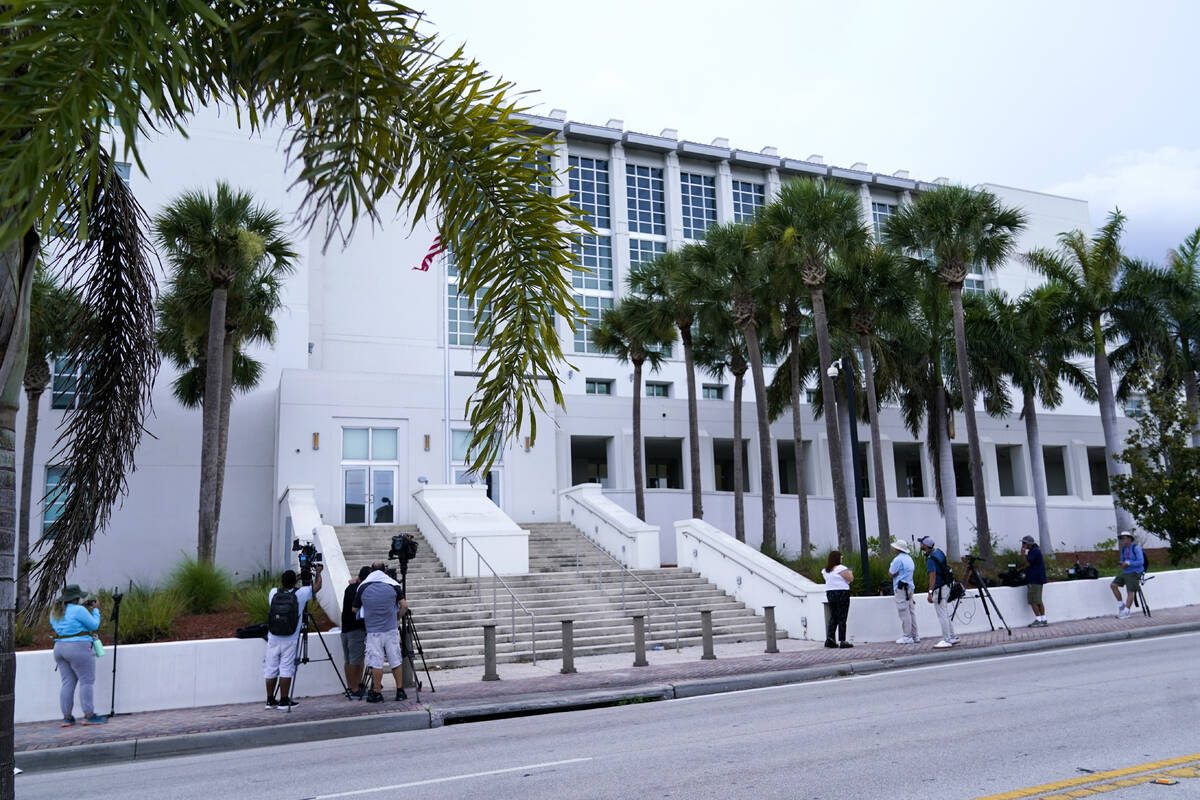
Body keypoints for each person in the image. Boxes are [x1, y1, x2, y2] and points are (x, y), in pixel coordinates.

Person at [264, 564, 323, 709]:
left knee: (270, 668)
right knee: (286, 668)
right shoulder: (301, 593)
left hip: (273, 636)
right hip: (290, 638)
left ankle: (270, 700)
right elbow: (317, 587)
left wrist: (295, 577)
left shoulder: (273, 593)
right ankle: (284, 700)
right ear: (294, 582)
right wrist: (318, 572)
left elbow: (287, 583)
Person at [50, 584, 106, 726]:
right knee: (86, 681)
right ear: (76, 598)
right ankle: (89, 715)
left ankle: (67, 717)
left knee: (67, 682)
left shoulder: (55, 611)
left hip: (59, 648)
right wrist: (96, 611)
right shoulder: (79, 610)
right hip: (78, 648)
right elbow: (94, 625)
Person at [354, 566, 408, 702]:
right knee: (395, 660)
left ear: (371, 571)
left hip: (373, 632)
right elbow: (404, 606)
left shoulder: (363, 587)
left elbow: (354, 609)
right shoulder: (393, 585)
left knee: (376, 663)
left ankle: (377, 693)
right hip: (391, 630)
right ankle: (400, 691)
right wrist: (397, 617)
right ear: (384, 571)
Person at [919, 536, 959, 649]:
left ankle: (947, 640)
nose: (920, 545)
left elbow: (932, 576)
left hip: (939, 589)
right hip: (946, 586)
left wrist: (930, 592)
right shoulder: (939, 552)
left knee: (942, 615)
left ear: (925, 545)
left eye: (921, 543)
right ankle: (952, 636)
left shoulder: (931, 559)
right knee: (945, 613)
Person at [341, 565, 371, 698]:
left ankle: (351, 686)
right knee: (356, 660)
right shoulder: (361, 590)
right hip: (356, 629)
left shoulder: (350, 588)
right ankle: (355, 688)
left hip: (346, 628)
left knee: (348, 660)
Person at [820, 551, 854, 649]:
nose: (842, 559)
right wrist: (850, 571)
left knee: (834, 616)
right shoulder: (841, 568)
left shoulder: (825, 570)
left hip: (830, 593)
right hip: (842, 592)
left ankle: (830, 639)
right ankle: (842, 641)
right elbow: (850, 579)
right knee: (842, 616)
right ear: (837, 558)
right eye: (841, 558)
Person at [1109, 531, 1146, 619]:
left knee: (1130, 591)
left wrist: (1128, 563)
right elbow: (1122, 560)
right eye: (1121, 538)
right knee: (1113, 585)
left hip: (1135, 572)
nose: (1123, 540)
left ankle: (1126, 612)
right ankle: (1121, 605)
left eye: (1124, 538)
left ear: (1130, 539)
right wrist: (1122, 563)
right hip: (1126, 571)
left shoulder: (1136, 548)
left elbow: (1141, 562)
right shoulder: (1124, 549)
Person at [888, 540, 919, 644]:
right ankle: (915, 635)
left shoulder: (897, 560)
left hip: (901, 588)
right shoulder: (909, 559)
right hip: (910, 587)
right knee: (911, 611)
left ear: (898, 549)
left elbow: (890, 573)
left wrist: (896, 573)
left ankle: (907, 636)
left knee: (904, 612)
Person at [1021, 535, 1048, 627]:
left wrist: (1022, 553)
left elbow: (1027, 563)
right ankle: (1043, 619)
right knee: (1039, 600)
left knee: (1033, 601)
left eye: (1024, 543)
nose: (1022, 545)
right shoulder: (1036, 550)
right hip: (1038, 578)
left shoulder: (1034, 551)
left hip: (1034, 579)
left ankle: (1038, 620)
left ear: (1028, 544)